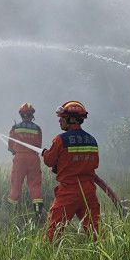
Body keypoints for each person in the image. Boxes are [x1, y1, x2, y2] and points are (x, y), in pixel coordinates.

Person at [42, 100, 100, 241]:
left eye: (62, 118)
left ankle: (48, 257)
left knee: (53, 232)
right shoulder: (92, 140)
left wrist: (45, 153)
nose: (60, 121)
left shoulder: (61, 140)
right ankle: (102, 257)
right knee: (96, 232)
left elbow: (49, 161)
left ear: (71, 119)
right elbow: (94, 163)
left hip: (69, 191)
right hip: (89, 191)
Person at [7, 102, 44, 216]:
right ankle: (38, 213)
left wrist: (14, 150)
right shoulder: (37, 129)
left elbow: (10, 144)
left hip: (19, 159)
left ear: (21, 115)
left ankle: (12, 213)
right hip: (33, 159)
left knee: (16, 183)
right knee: (35, 185)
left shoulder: (15, 127)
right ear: (32, 115)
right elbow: (38, 145)